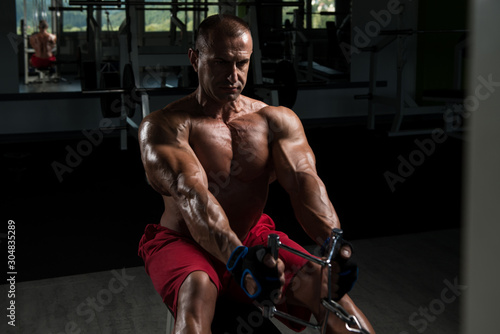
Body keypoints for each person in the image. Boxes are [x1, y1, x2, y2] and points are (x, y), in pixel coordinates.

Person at [138, 13, 375, 334]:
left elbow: (305, 183)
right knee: (196, 293)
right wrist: (237, 259)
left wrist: (334, 243)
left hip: (253, 239)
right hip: (186, 242)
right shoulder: (165, 125)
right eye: (221, 62)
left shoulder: (275, 121)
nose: (233, 75)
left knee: (331, 295)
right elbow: (191, 194)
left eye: (242, 63)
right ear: (195, 59)